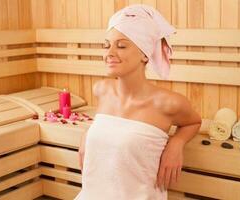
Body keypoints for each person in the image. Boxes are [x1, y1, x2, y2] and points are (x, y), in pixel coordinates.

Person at [75, 4, 201, 200]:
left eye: (122, 45)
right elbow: (109, 124)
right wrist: (89, 133)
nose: (109, 53)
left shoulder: (167, 103)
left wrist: (177, 143)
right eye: (106, 45)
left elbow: (193, 122)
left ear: (145, 54)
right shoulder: (102, 89)